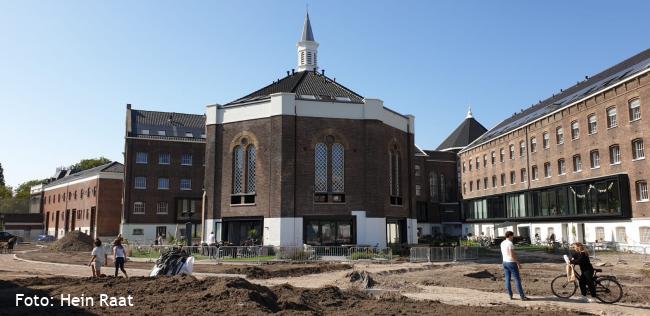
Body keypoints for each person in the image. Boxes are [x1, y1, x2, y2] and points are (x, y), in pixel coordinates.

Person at [501, 231, 529, 300]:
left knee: (507, 279)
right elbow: (512, 254)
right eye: (512, 236)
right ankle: (522, 296)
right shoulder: (510, 243)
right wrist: (518, 263)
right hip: (511, 262)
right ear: (510, 236)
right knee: (517, 279)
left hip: (505, 262)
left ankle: (510, 295)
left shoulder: (502, 243)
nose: (513, 237)